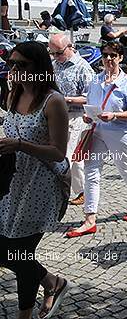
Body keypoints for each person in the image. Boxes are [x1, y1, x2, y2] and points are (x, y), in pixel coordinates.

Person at [0, 41, 71, 319]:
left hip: (40, 186)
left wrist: (19, 144)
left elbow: (58, 152)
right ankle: (52, 282)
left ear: (38, 67)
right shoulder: (12, 95)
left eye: (21, 64)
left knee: (18, 253)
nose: (13, 69)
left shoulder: (53, 101)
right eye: (11, 63)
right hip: (11, 183)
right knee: (13, 253)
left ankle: (25, 314)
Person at [66, 41, 127, 238]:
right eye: (105, 55)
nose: (109, 59)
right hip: (97, 130)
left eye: (113, 55)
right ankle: (90, 219)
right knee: (91, 172)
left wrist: (115, 115)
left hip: (120, 133)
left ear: (120, 57)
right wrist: (87, 115)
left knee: (125, 169)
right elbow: (91, 102)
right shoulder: (96, 80)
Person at [49, 33, 95, 206]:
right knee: (58, 155)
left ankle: (79, 191)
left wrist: (66, 99)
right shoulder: (54, 65)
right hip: (56, 116)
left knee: (69, 157)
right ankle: (74, 190)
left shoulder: (83, 67)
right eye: (53, 53)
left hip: (76, 116)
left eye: (59, 53)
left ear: (70, 47)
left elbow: (90, 97)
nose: (56, 57)